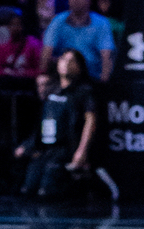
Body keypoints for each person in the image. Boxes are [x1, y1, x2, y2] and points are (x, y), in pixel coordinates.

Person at [16, 48, 98, 200]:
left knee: (48, 193)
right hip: (45, 149)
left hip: (65, 149)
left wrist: (82, 151)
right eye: (64, 59)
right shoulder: (52, 91)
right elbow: (41, 123)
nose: (66, 64)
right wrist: (28, 145)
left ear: (79, 66)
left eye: (72, 61)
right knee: (28, 190)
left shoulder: (83, 92)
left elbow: (90, 121)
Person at [42, 0, 116, 82]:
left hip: (92, 77)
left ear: (89, 0)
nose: (76, 0)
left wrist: (104, 83)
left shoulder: (101, 23)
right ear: (68, 1)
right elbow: (47, 50)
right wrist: (43, 76)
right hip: (63, 76)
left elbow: (107, 55)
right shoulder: (58, 21)